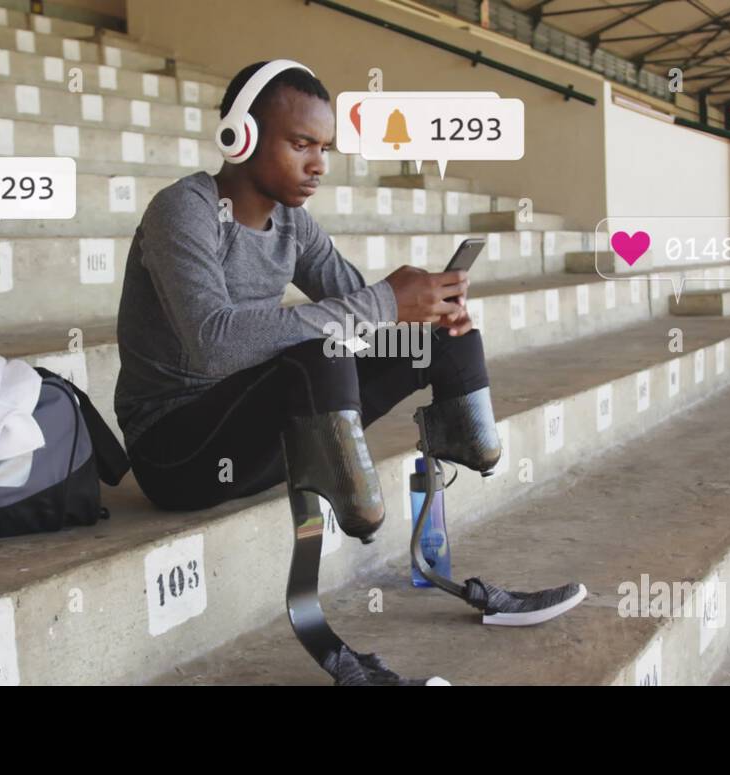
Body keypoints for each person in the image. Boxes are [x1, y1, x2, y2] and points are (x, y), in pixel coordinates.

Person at [113, 60, 575, 685]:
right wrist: (383, 302)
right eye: (300, 143)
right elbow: (212, 347)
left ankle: (456, 521)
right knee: (315, 350)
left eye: (324, 148)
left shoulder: (294, 223)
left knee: (426, 343)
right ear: (239, 137)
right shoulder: (183, 211)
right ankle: (349, 561)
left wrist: (428, 314)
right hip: (177, 453)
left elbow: (363, 313)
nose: (318, 164)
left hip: (254, 434)